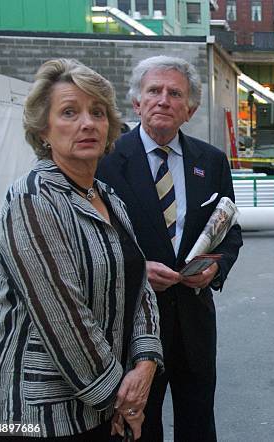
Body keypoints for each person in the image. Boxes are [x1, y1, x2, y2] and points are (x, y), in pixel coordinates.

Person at [0, 59, 162, 440]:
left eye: (97, 112)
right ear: (43, 130)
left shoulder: (108, 197)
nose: (88, 123)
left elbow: (140, 285)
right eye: (69, 112)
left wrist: (145, 362)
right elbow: (63, 316)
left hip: (104, 402)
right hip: (37, 415)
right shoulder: (32, 199)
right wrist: (121, 399)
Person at [97, 55, 243, 441]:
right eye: (154, 91)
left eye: (174, 93)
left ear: (189, 109)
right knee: (138, 425)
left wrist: (218, 267)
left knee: (198, 423)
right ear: (136, 103)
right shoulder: (105, 161)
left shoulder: (210, 162)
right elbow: (92, 241)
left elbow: (229, 230)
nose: (164, 100)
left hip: (194, 323)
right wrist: (137, 271)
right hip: (131, 324)